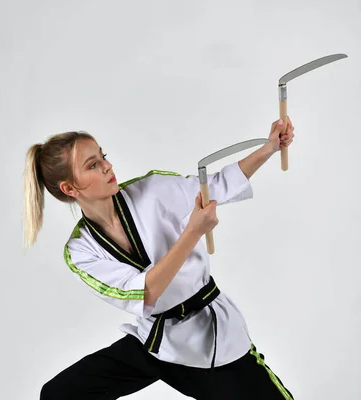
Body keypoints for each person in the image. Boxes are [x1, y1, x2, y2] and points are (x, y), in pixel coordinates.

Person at [23, 118, 296, 400]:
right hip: (157, 341)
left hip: (214, 336)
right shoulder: (81, 250)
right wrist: (193, 232)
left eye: (103, 156)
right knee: (60, 394)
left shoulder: (152, 189)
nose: (107, 166)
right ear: (70, 189)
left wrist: (270, 147)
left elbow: (215, 186)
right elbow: (146, 292)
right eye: (92, 165)